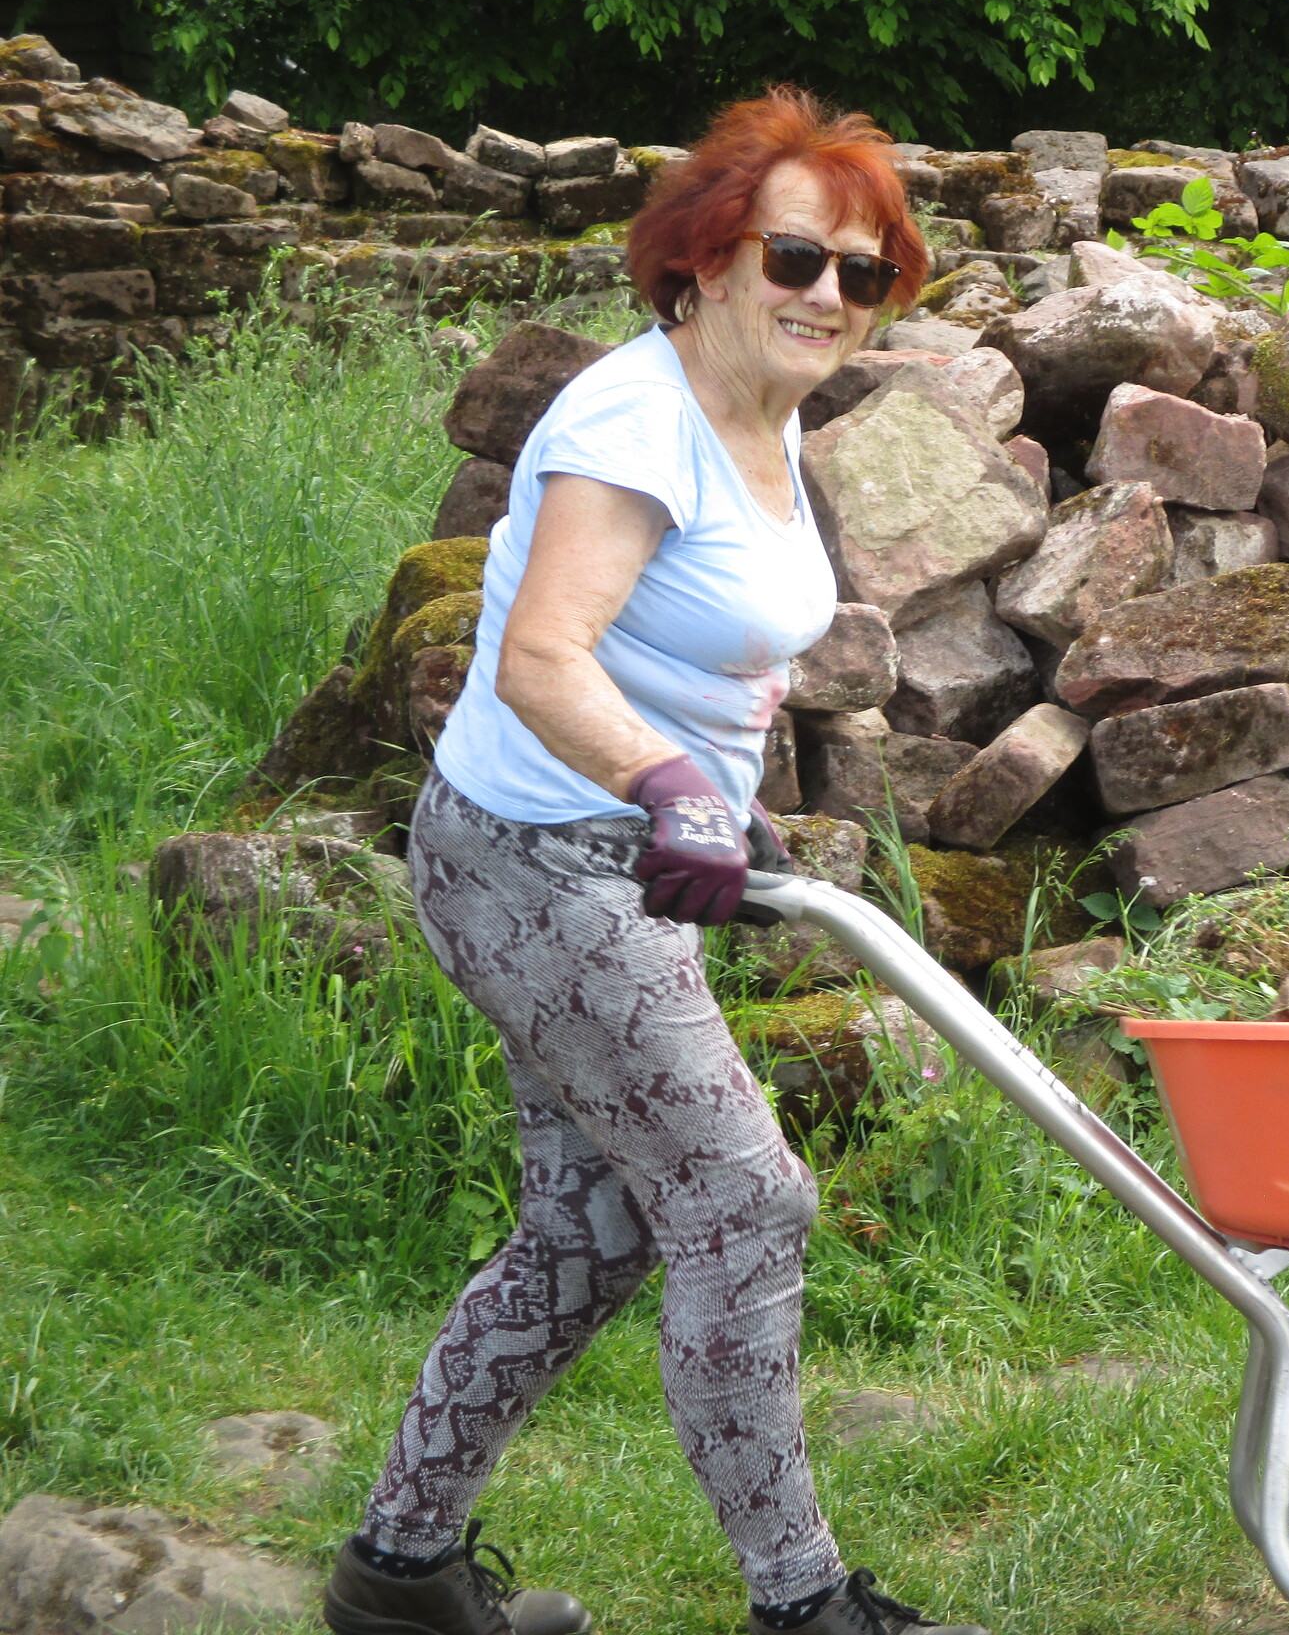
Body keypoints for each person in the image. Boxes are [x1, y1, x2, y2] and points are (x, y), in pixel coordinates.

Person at [323, 87, 972, 1635]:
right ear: (707, 258)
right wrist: (670, 782)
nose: (828, 295)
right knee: (744, 1207)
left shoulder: (761, 406)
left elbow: (692, 647)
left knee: (595, 1225)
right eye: (796, 258)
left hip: (608, 854)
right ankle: (802, 1605)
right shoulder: (633, 420)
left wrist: (716, 794)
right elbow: (545, 657)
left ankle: (399, 1575)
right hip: (535, 861)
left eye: (864, 272)